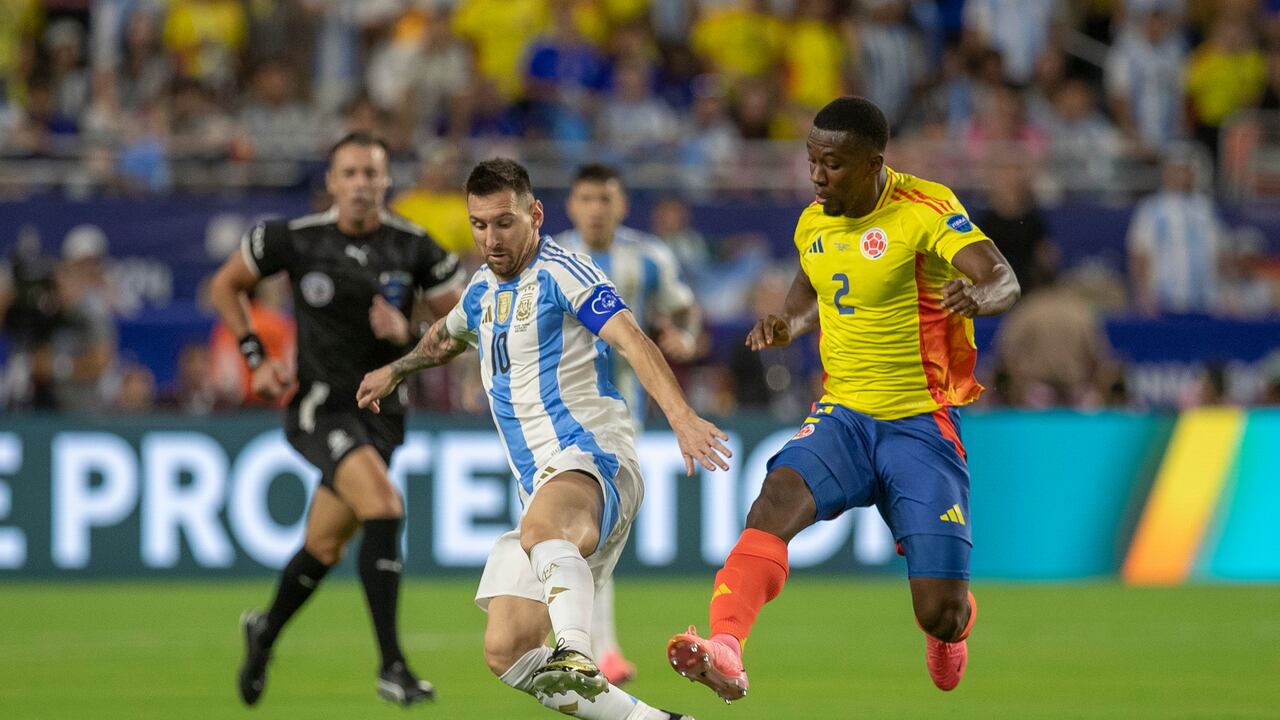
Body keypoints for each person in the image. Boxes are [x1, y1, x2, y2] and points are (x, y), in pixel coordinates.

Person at [665, 96, 1021, 702]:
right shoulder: (814, 221)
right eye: (811, 160)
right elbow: (811, 288)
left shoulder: (924, 210)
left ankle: (949, 630)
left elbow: (1003, 278)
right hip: (844, 416)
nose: (817, 174)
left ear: (873, 163)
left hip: (920, 424)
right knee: (773, 503)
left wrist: (977, 297)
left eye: (832, 163)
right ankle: (727, 649)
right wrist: (787, 323)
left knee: (940, 610)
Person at [356, 158, 730, 720]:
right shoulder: (482, 289)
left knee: (542, 531)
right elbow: (444, 337)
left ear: (534, 214)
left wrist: (680, 416)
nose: (491, 238)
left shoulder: (564, 271)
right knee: (507, 650)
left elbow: (631, 338)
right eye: (479, 224)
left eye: (504, 222)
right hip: (544, 481)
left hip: (593, 455)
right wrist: (398, 369)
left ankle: (577, 651)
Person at [209, 132, 465, 707]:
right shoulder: (293, 239)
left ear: (386, 181)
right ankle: (392, 665)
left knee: (324, 546)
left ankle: (265, 630)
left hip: (384, 412)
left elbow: (466, 329)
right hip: (321, 407)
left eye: (370, 175)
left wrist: (408, 338)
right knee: (385, 505)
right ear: (330, 182)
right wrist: (257, 358)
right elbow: (226, 286)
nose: (359, 186)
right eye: (348, 174)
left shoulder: (414, 246)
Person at [555, 163, 702, 686]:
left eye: (606, 198)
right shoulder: (550, 258)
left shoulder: (648, 258)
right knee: (577, 534)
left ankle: (590, 648)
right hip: (552, 413)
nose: (597, 208)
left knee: (591, 533)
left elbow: (685, 311)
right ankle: (591, 649)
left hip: (619, 414)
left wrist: (683, 336)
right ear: (571, 205)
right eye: (587, 198)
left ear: (621, 205)